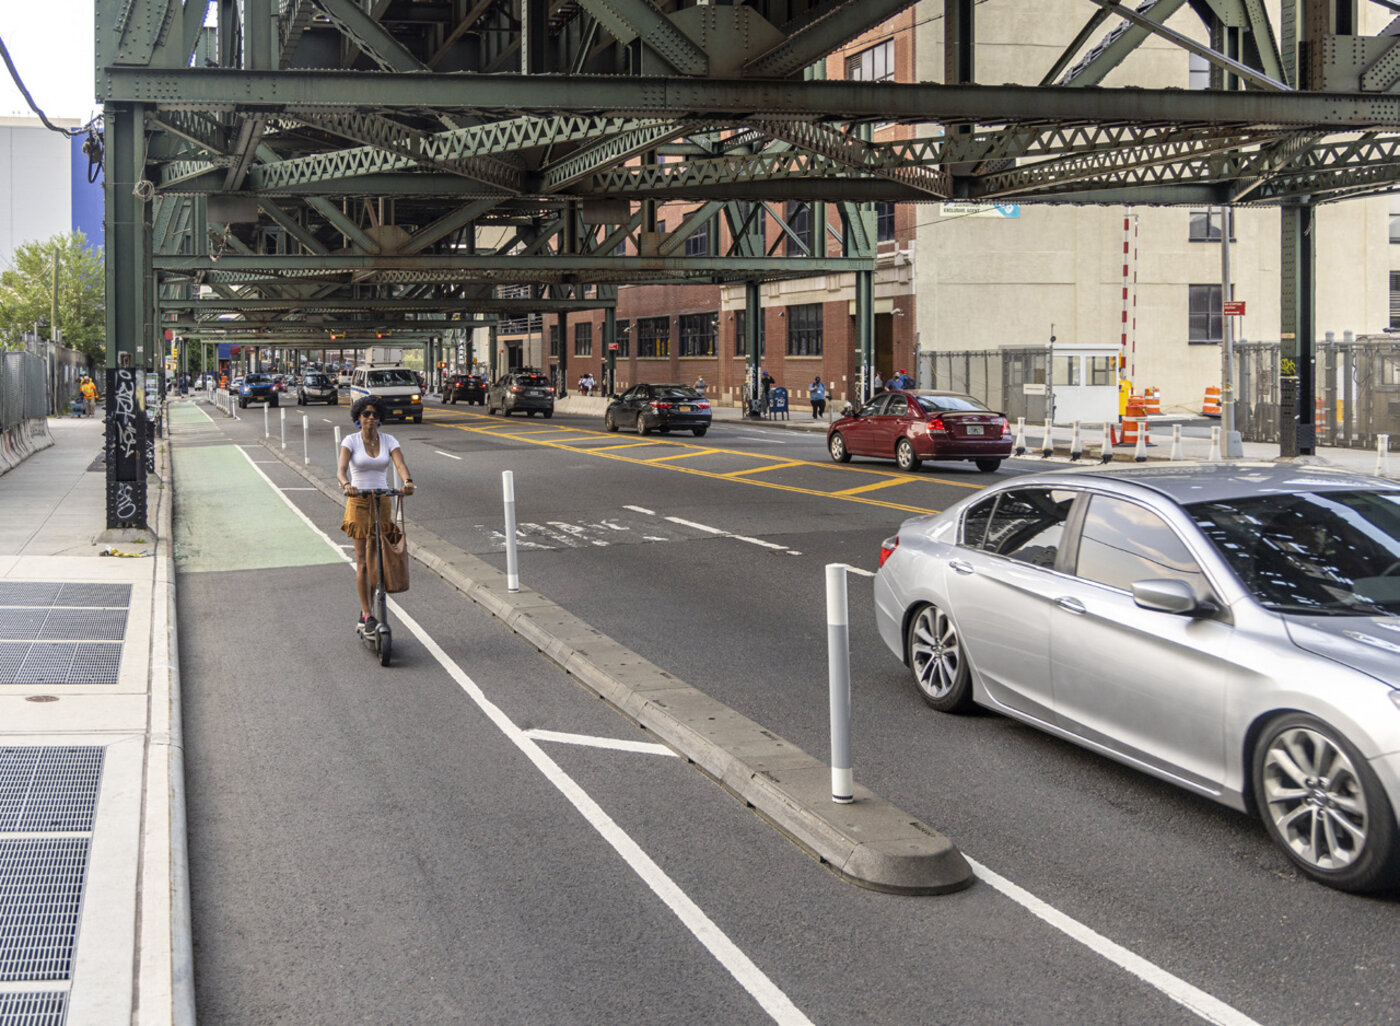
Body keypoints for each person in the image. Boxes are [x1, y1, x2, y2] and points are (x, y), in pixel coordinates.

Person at [338, 394, 416, 633]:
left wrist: (408, 481)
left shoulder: (389, 440)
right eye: (366, 414)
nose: (371, 418)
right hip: (358, 501)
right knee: (362, 561)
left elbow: (400, 465)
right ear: (358, 418)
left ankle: (374, 606)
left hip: (382, 500)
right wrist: (346, 485)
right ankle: (366, 613)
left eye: (375, 414)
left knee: (378, 558)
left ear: (380, 418)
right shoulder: (350, 441)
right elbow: (341, 470)